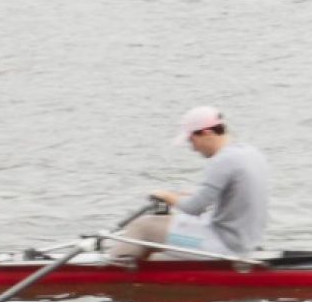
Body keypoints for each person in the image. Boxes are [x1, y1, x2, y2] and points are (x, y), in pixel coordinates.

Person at [110, 108, 269, 265]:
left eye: (191, 140)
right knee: (164, 223)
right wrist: (179, 196)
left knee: (143, 226)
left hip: (225, 245)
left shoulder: (222, 161)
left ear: (207, 133)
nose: (193, 148)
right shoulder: (251, 153)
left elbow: (194, 208)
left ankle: (109, 271)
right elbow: (223, 196)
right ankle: (142, 263)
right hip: (246, 241)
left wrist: (167, 196)